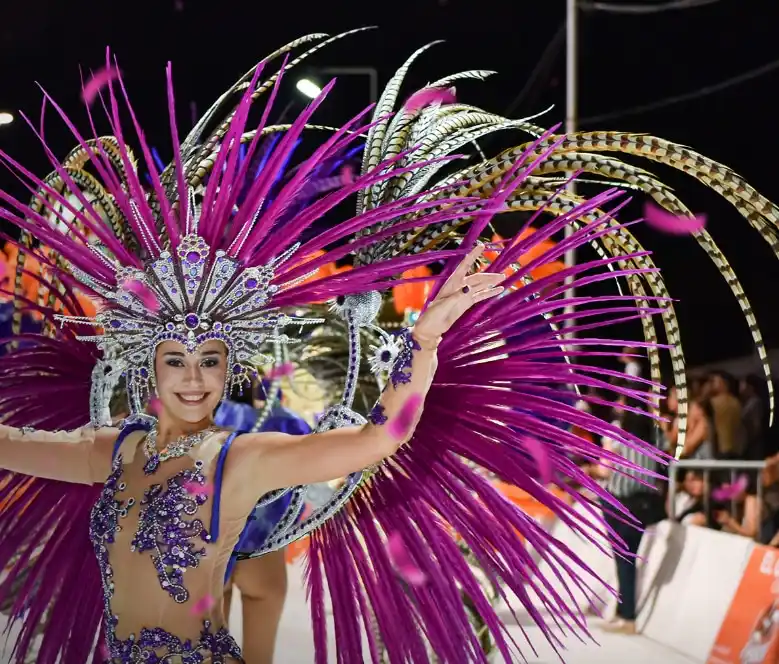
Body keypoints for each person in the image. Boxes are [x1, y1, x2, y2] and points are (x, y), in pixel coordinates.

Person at [0, 31, 775, 664]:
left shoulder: (244, 460)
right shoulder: (113, 449)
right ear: (149, 365)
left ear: (230, 367)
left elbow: (382, 436)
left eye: (211, 361)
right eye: (177, 360)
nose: (196, 379)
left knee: (260, 591)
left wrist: (427, 340)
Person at [218, 381, 312, 664]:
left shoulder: (205, 420)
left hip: (213, 552)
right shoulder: (285, 424)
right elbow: (301, 493)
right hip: (265, 555)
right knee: (261, 658)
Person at [709, 371, 745, 459]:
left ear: (723, 383)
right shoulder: (736, 402)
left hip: (720, 448)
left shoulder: (714, 402)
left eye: (714, 382)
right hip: (736, 448)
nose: (711, 385)